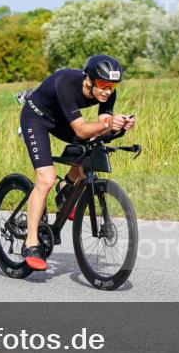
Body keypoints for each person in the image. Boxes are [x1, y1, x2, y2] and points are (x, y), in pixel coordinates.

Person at [18, 54, 136, 270]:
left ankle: (66, 187)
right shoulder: (66, 84)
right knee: (46, 179)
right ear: (89, 80)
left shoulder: (108, 93)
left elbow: (101, 127)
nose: (107, 91)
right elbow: (81, 129)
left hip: (62, 119)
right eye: (102, 84)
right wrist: (109, 123)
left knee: (91, 149)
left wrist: (118, 126)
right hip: (37, 118)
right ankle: (31, 242)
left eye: (111, 85)